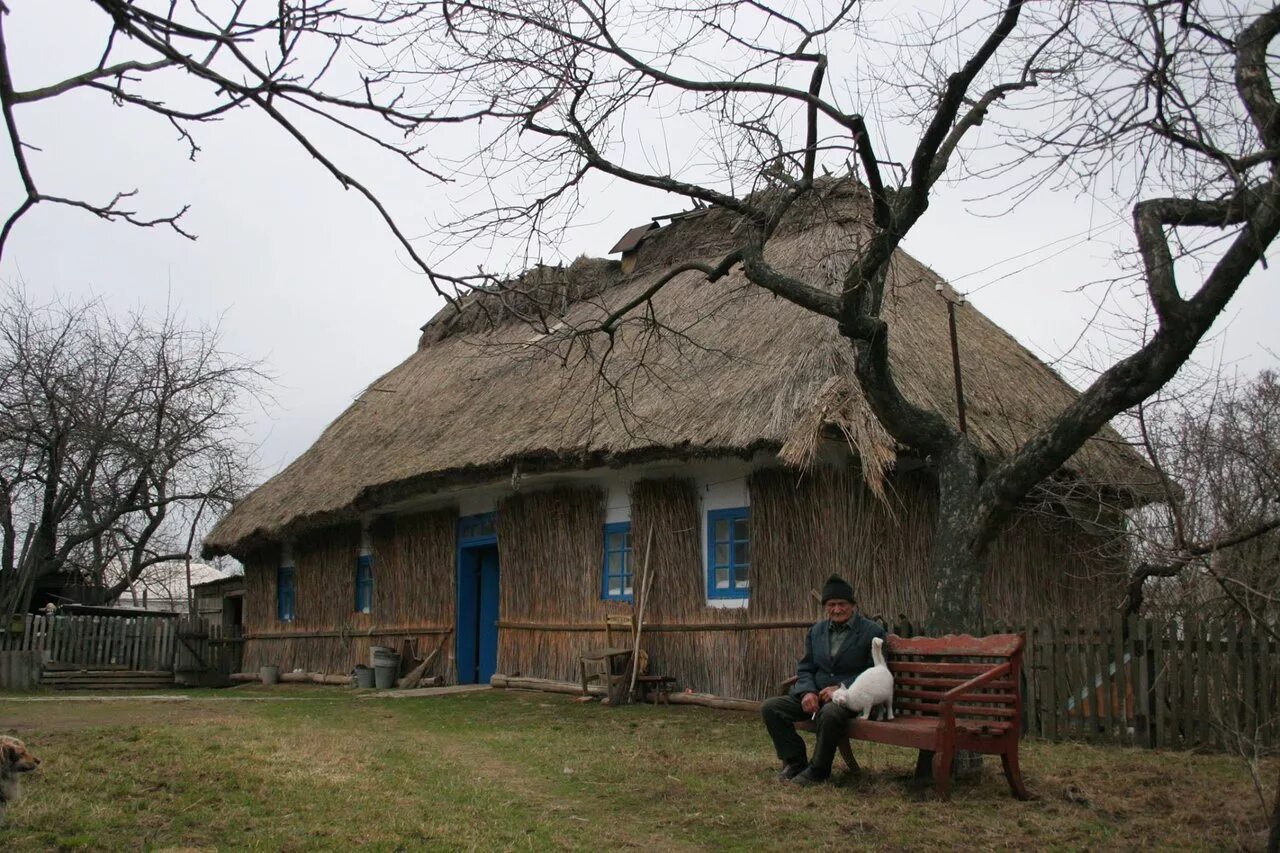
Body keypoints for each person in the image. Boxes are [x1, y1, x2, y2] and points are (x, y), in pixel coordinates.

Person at [760, 574, 887, 786]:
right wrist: (807, 692)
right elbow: (806, 667)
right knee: (771, 707)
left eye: (842, 604)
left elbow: (877, 671)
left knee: (829, 713)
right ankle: (795, 762)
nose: (836, 609)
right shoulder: (816, 631)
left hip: (853, 697)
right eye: (831, 604)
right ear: (825, 607)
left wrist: (840, 688)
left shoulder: (872, 632)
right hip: (817, 695)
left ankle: (819, 770)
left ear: (853, 605)